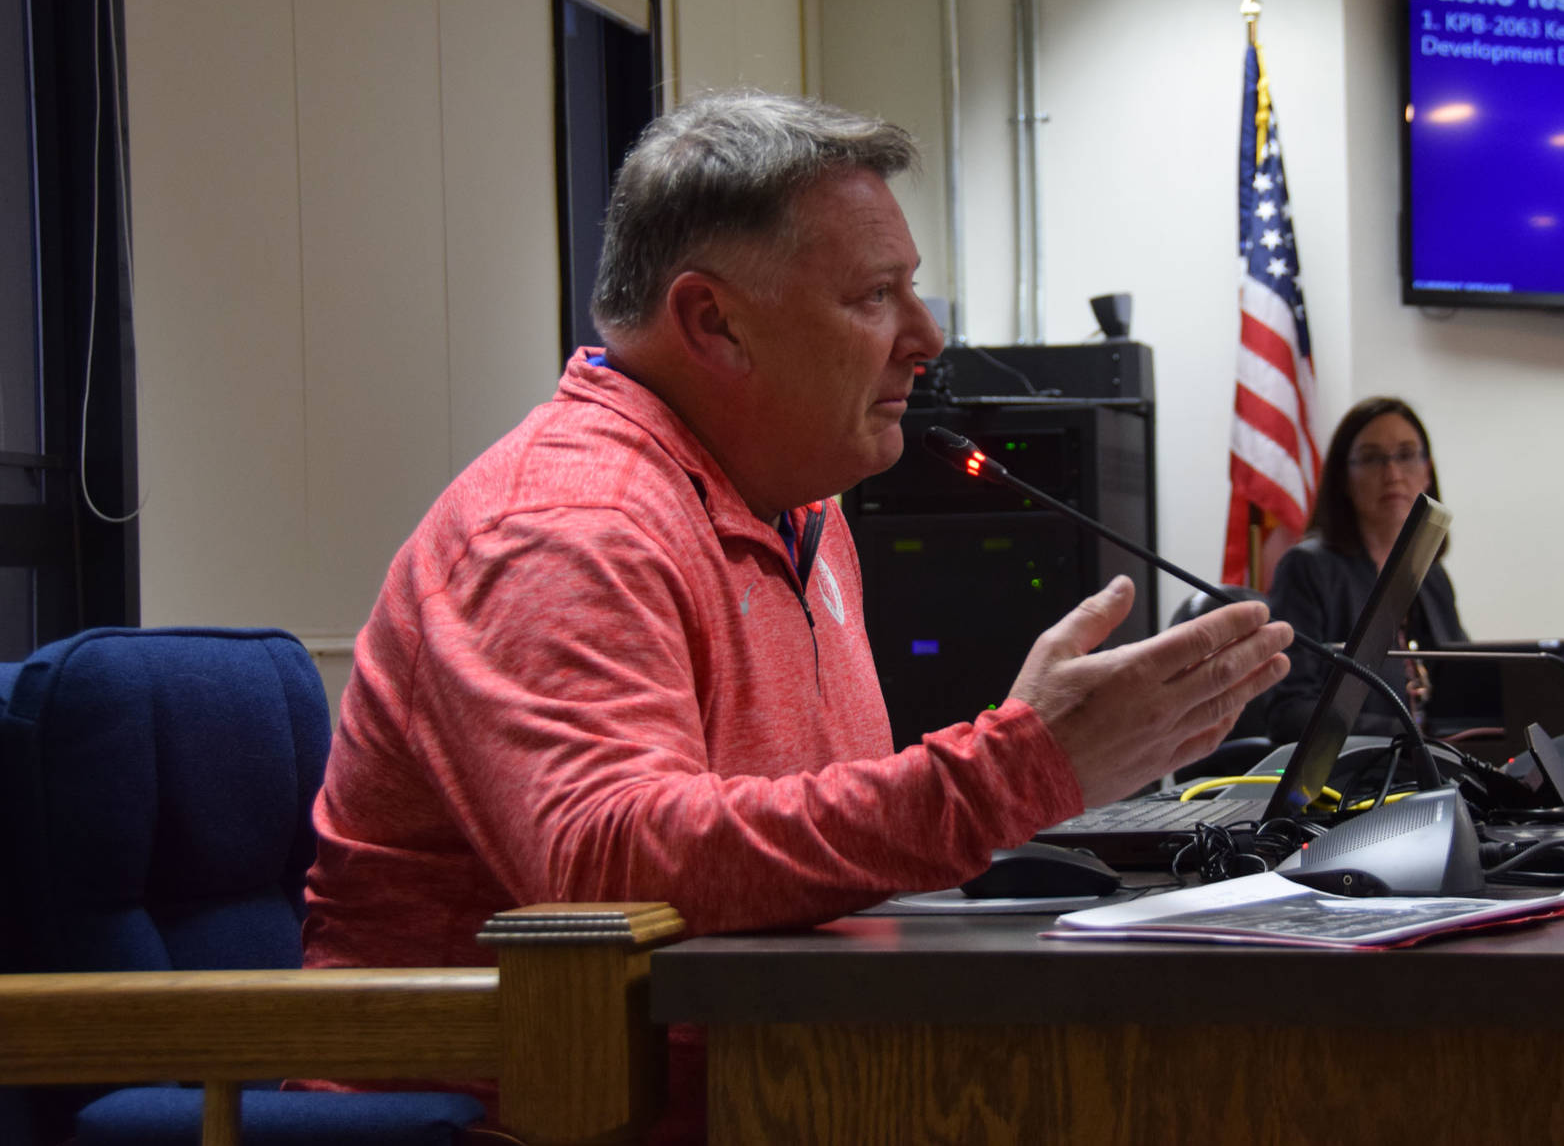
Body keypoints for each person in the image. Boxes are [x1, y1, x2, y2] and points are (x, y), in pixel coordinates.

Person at [298, 90, 1293, 1142]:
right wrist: (1012, 772)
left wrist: (1037, 768)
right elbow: (604, 864)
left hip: (779, 1079)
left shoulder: (799, 507)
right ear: (711, 321)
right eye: (876, 296)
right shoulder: (564, 523)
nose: (927, 338)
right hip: (535, 1115)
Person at [1256, 396, 1468, 741]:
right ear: (1344, 478)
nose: (1392, 474)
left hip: (1434, 770)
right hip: (1357, 777)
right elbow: (1290, 711)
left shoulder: (1431, 575)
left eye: (1406, 454)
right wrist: (1412, 735)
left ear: (1427, 472)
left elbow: (1466, 683)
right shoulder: (1307, 569)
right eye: (1371, 459)